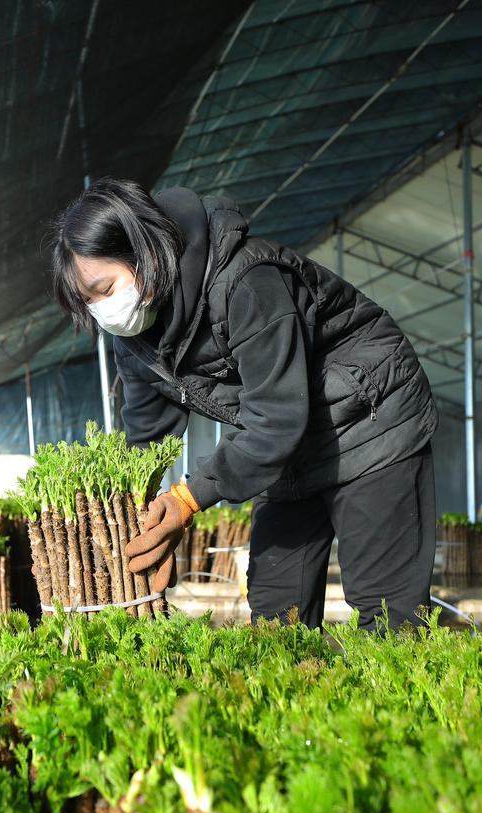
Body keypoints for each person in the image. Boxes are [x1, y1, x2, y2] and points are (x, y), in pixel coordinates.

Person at [48, 178, 438, 630]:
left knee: (387, 610)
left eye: (104, 287)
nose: (103, 310)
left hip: (370, 421)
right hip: (291, 448)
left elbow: (275, 418)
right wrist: (143, 520)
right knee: (277, 610)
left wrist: (188, 499)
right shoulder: (135, 337)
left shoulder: (247, 282)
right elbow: (146, 435)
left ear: (146, 252)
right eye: (88, 301)